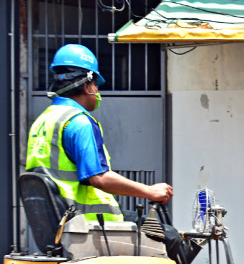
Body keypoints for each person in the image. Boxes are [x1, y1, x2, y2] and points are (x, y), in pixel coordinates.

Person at [26, 43, 172, 222]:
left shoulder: (43, 121)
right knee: (168, 235)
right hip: (89, 223)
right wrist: (149, 191)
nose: (97, 92)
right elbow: (98, 177)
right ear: (87, 86)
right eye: (96, 85)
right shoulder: (79, 122)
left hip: (61, 221)